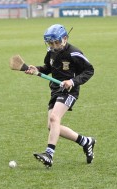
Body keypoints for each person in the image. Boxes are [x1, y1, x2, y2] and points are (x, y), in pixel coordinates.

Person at [25, 24, 96, 168]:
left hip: (70, 91)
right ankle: (86, 142)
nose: (54, 46)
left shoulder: (74, 53)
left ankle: (49, 154)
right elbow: (48, 68)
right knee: (51, 126)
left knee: (54, 118)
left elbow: (89, 70)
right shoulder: (51, 52)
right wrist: (36, 69)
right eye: (51, 43)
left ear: (65, 38)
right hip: (55, 90)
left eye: (56, 42)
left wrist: (72, 81)